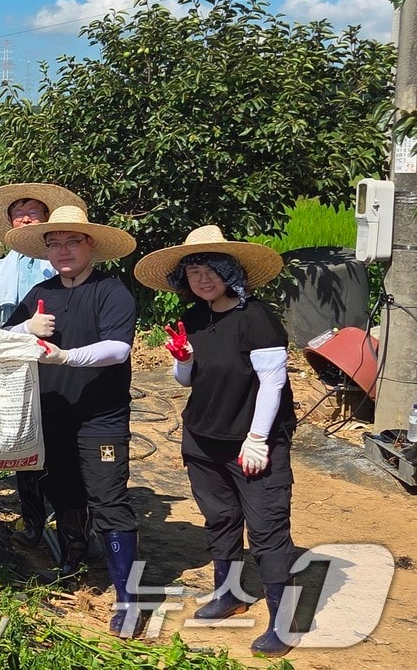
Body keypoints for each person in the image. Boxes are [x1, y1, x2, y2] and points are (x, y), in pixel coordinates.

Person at [134, 226, 297, 657]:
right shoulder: (195, 318)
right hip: (203, 438)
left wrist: (258, 437)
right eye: (193, 272)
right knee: (221, 518)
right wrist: (183, 360)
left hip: (252, 440)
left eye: (210, 270)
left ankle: (283, 620)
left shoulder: (256, 317)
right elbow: (188, 379)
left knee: (267, 529)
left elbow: (273, 383)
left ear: (230, 272)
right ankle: (230, 593)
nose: (202, 279)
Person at [2, 205, 140, 637]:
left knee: (109, 499)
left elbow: (117, 349)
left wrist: (66, 355)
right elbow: (2, 338)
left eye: (71, 242)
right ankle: (72, 556)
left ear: (90, 246)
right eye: (54, 243)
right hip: (52, 411)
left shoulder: (112, 291)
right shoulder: (41, 293)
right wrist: (27, 329)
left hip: (100, 416)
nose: (63, 251)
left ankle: (129, 598)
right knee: (62, 489)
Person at [0, 183, 86, 545]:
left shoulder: (55, 264)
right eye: (18, 213)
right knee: (23, 442)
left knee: (60, 443)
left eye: (32, 213)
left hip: (56, 363)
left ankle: (67, 520)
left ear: (44, 221)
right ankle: (32, 517)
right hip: (16, 364)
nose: (24, 218)